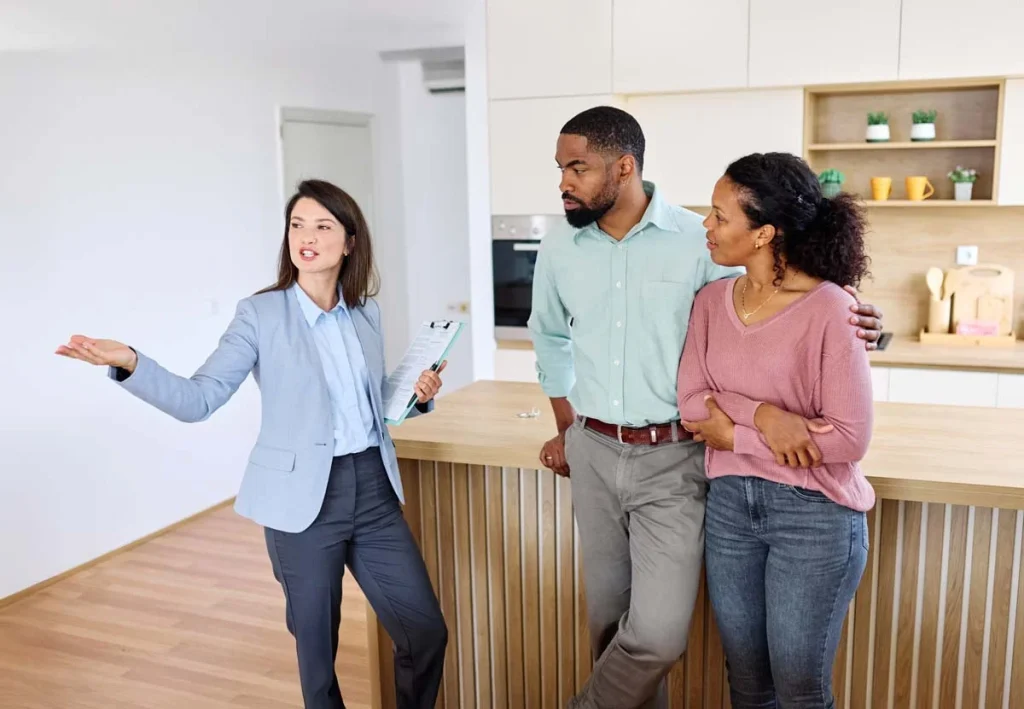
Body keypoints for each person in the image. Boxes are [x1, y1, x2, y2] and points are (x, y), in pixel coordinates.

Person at [528, 106, 884, 709]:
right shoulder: (564, 243)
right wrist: (568, 426)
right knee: (612, 625)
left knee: (660, 635)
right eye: (560, 168)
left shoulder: (700, 243)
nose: (563, 181)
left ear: (623, 166)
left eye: (577, 167)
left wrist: (864, 321)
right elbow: (550, 337)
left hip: (677, 457)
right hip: (595, 449)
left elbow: (791, 302)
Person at [55, 179, 448, 709]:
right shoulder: (259, 315)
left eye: (323, 226)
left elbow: (368, 399)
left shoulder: (364, 312)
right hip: (301, 505)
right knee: (317, 658)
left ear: (350, 242)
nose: (306, 237)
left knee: (424, 632)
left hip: (374, 491)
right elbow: (199, 399)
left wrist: (416, 395)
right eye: (296, 225)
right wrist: (130, 362)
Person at [678, 152, 875, 708]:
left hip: (813, 517)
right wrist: (766, 415)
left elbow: (847, 439)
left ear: (764, 232)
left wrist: (737, 434)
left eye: (719, 216)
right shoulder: (712, 301)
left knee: (798, 689)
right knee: (747, 683)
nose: (706, 226)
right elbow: (693, 403)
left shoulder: (833, 309)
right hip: (730, 509)